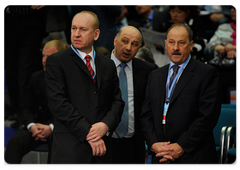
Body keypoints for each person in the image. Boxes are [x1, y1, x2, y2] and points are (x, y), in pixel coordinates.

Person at [45, 11, 124, 164]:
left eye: (83, 29)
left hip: (102, 152)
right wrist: (90, 133)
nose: (76, 34)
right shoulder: (56, 61)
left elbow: (117, 101)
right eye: (74, 28)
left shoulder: (108, 64)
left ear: (96, 34)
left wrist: (105, 125)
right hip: (70, 151)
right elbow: (58, 104)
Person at [140, 23, 221, 164]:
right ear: (165, 44)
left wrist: (181, 146)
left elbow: (207, 116)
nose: (175, 48)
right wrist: (154, 144)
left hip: (193, 155)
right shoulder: (155, 75)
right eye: (171, 42)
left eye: (181, 43)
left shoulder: (207, 73)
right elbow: (146, 115)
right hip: (160, 155)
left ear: (191, 45)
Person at [3, 40, 67, 164]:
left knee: (58, 145)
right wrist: (32, 126)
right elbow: (26, 107)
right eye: (43, 55)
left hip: (61, 128)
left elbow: (73, 112)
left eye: (49, 57)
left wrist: (51, 128)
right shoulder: (36, 78)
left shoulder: (71, 80)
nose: (44, 60)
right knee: (15, 142)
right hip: (39, 126)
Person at [108, 26, 157, 164]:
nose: (129, 48)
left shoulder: (148, 71)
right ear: (115, 40)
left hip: (134, 145)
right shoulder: (98, 66)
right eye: (125, 41)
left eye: (134, 44)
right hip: (104, 143)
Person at [2, 3, 48, 128]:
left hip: (32, 18)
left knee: (26, 70)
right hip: (7, 19)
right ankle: (17, 111)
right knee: (10, 70)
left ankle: (26, 116)